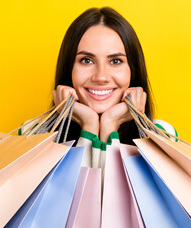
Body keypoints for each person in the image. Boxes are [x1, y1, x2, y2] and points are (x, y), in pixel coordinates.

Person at [20, 7, 178, 168]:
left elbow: (114, 192)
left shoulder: (162, 135)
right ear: (69, 69)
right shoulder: (31, 135)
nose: (101, 77)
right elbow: (76, 193)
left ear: (133, 70)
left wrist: (110, 125)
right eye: (87, 60)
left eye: (115, 61)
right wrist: (88, 126)